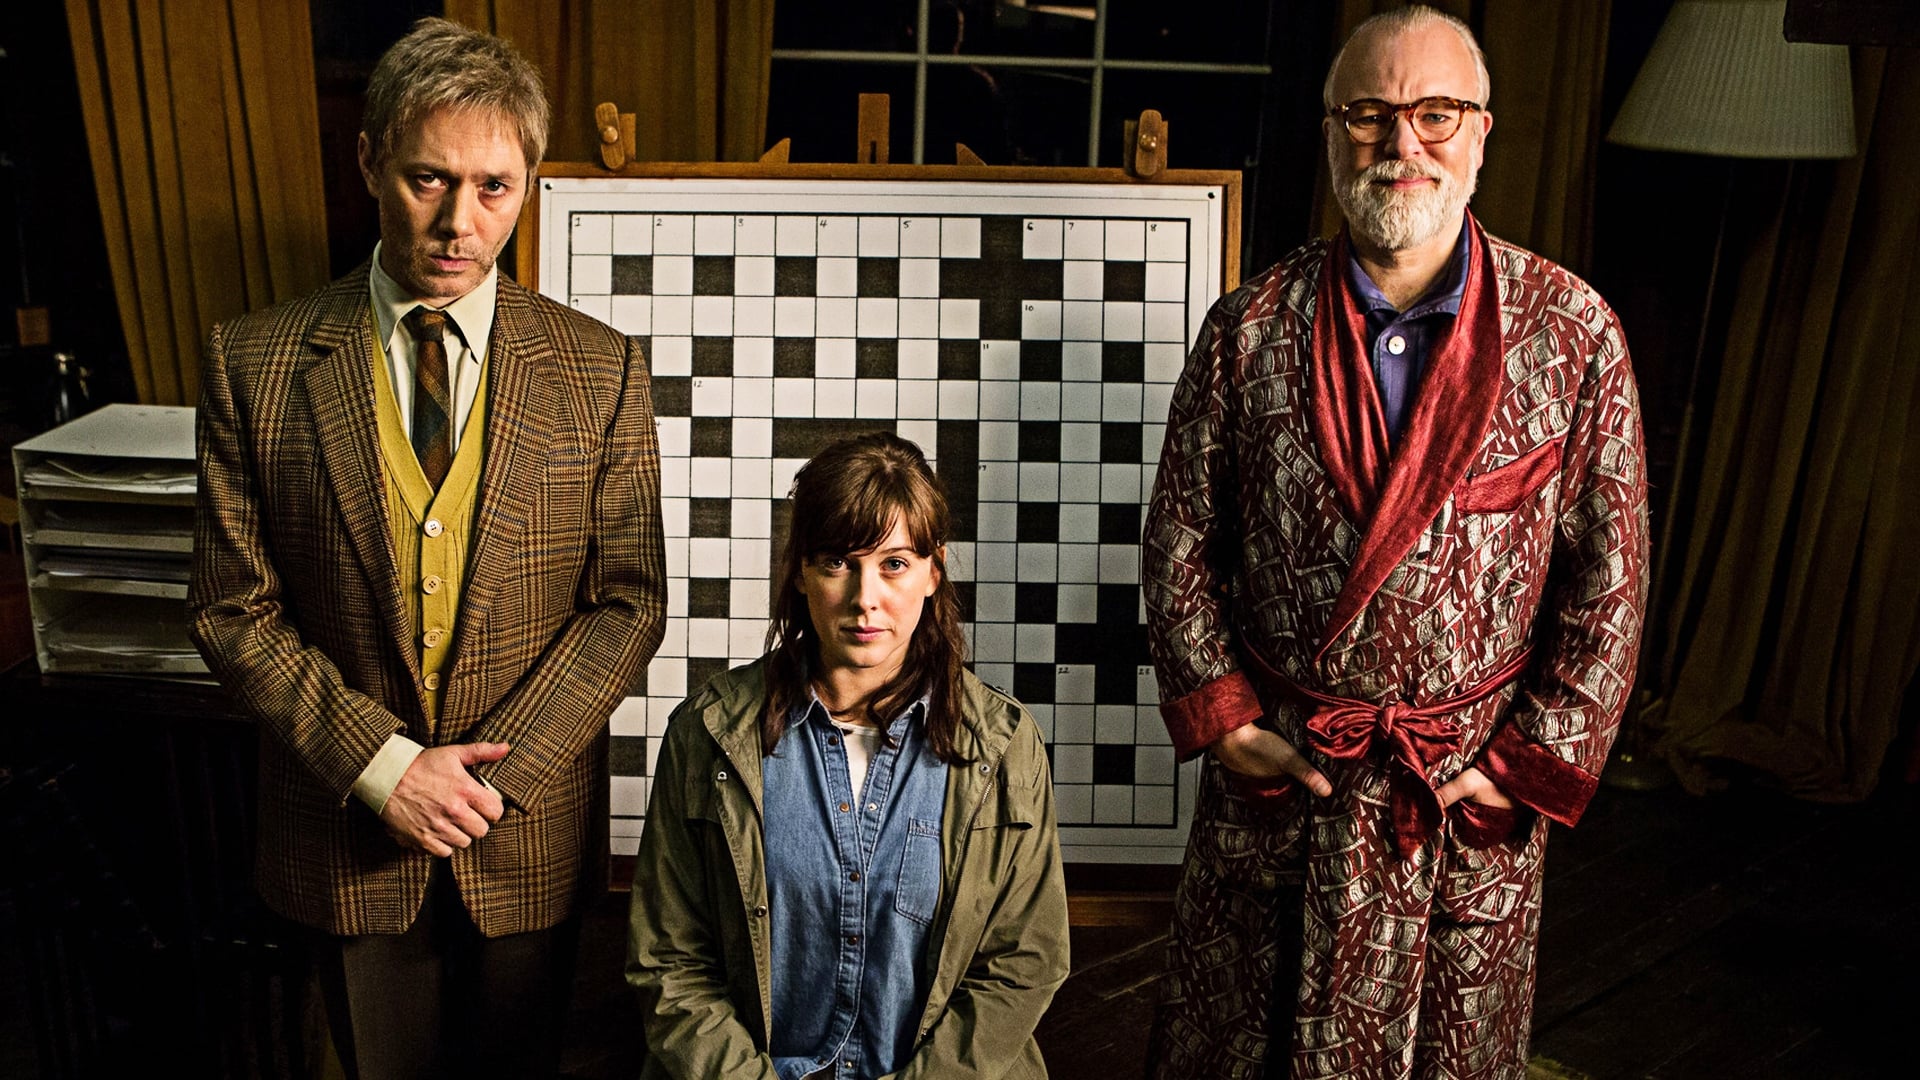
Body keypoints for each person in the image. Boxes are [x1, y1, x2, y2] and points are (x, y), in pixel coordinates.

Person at [1141, 7, 1648, 1078]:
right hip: (1289, 779)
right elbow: (1180, 540)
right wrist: (1228, 721)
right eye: (1369, 114)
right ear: (1332, 132)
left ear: (1481, 133)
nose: (1401, 143)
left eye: (1435, 114)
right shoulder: (1249, 329)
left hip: (1458, 796)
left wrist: (1526, 765)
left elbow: (1611, 583)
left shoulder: (1573, 333)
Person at [189, 17, 666, 1079]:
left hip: (526, 835)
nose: (460, 222)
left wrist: (495, 778)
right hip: (343, 835)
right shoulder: (254, 362)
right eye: (428, 180)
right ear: (369, 162)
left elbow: (630, 602)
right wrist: (384, 767)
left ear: (528, 183)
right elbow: (230, 609)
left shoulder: (601, 370)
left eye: (494, 188)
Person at [628, 431, 1070, 1079]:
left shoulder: (1002, 744)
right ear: (800, 571)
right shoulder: (709, 732)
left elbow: (1022, 963)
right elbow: (671, 962)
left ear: (933, 571)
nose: (866, 598)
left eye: (894, 563)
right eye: (838, 562)